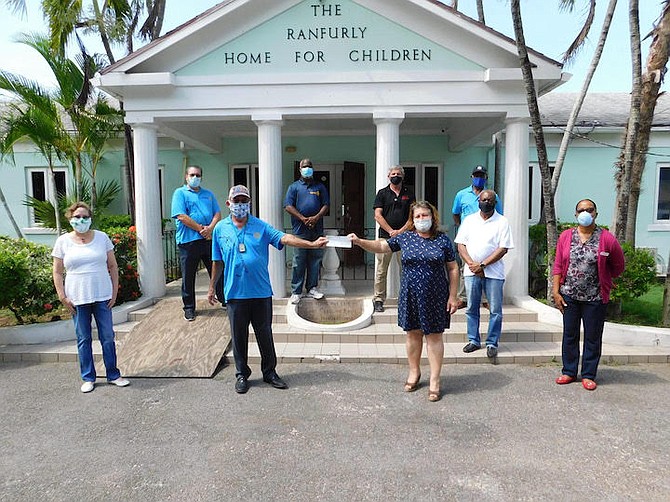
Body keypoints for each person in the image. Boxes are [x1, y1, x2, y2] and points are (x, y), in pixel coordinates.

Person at [208, 185, 328, 394]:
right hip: (235, 293)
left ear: (249, 203)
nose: (240, 205)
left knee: (265, 334)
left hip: (261, 292)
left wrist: (311, 244)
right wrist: (211, 288)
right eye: (237, 201)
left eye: (244, 201)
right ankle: (241, 374)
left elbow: (284, 238)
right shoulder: (220, 229)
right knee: (239, 336)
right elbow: (217, 261)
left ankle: (270, 372)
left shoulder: (261, 226)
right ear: (229, 204)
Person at [349, 201, 459, 402]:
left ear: (432, 217)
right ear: (412, 219)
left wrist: (453, 296)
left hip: (436, 295)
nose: (421, 220)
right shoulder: (405, 238)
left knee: (434, 337)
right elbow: (381, 246)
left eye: (425, 216)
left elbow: (453, 268)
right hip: (410, 295)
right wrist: (359, 241)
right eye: (417, 217)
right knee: (413, 335)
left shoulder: (442, 240)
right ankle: (414, 372)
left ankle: (434, 379)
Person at [52, 202, 130, 393]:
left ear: (90, 218)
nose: (81, 220)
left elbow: (112, 266)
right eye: (77, 217)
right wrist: (62, 296)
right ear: (70, 218)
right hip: (77, 298)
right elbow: (57, 271)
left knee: (107, 336)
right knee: (83, 338)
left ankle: (113, 374)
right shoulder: (63, 241)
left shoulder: (102, 238)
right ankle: (88, 377)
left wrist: (114, 291)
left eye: (85, 217)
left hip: (102, 295)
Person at [552, 199, 625, 391]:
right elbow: (558, 264)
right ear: (576, 214)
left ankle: (589, 374)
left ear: (596, 213)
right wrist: (555, 291)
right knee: (570, 334)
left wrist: (607, 278)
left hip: (595, 298)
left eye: (589, 209)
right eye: (581, 210)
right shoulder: (566, 236)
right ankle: (568, 371)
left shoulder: (606, 238)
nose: (586, 213)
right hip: (569, 295)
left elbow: (618, 264)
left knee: (593, 336)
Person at [455, 189, 514, 360]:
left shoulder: (502, 222)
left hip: (494, 273)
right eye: (483, 200)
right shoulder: (469, 220)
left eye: (490, 200)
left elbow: (503, 249)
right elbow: (461, 245)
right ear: (478, 201)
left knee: (495, 310)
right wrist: (472, 264)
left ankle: (492, 343)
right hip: (471, 271)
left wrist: (483, 265)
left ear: (495, 203)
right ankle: (474, 340)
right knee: (472, 308)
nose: (486, 202)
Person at [171, 165, 224, 321]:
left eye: (198, 175)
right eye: (192, 175)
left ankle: (223, 299)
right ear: (186, 177)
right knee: (188, 277)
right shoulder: (180, 193)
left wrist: (211, 228)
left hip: (208, 240)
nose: (195, 177)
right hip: (188, 242)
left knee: (217, 270)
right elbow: (181, 215)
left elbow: (217, 213)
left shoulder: (208, 194)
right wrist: (200, 229)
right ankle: (189, 308)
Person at [451, 165, 503, 308]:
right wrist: (461, 227)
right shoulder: (461, 194)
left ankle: (486, 299)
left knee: (487, 267)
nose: (479, 178)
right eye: (476, 175)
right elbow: (455, 213)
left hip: (487, 238)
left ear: (486, 177)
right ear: (472, 177)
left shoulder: (492, 196)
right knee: (465, 267)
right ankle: (463, 297)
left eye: (481, 175)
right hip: (467, 239)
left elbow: (499, 215)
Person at [284, 158, 330, 304]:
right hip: (300, 230)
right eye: (304, 166)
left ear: (313, 168)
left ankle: (312, 288)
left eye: (309, 166)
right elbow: (288, 206)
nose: (307, 168)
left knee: (315, 259)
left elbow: (326, 205)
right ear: (300, 169)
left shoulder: (319, 186)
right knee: (299, 260)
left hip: (316, 229)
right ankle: (296, 291)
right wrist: (303, 218)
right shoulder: (294, 187)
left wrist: (316, 218)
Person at [372, 165, 415, 313]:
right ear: (388, 176)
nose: (395, 176)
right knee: (381, 270)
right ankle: (378, 299)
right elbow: (378, 215)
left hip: (405, 237)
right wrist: (391, 231)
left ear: (402, 176)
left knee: (406, 269)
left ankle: (406, 299)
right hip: (385, 238)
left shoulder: (409, 193)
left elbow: (412, 216)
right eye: (393, 173)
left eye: (398, 174)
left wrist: (400, 232)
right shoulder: (382, 193)